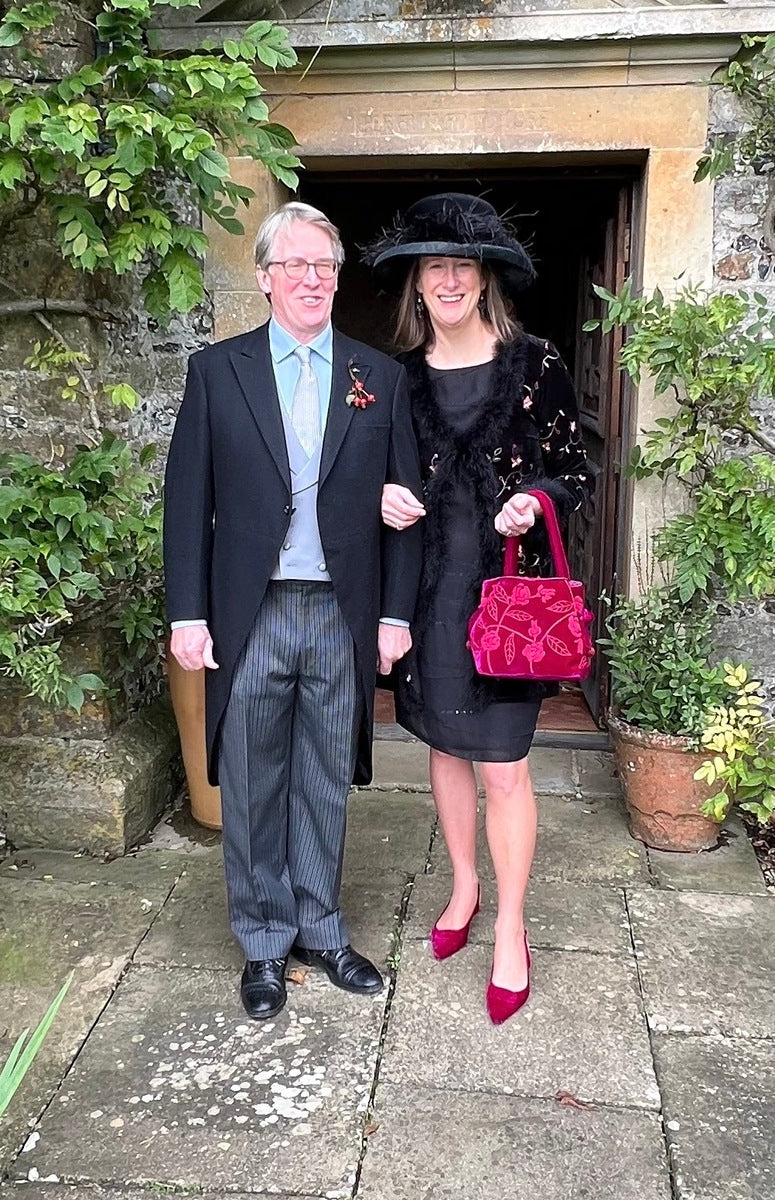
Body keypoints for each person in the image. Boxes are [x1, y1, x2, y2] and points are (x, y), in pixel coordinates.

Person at [164, 201, 422, 1021]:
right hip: (253, 610)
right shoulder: (217, 372)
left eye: (325, 266)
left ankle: (321, 927)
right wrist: (187, 614)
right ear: (265, 278)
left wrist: (394, 616)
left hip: (341, 611)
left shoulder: (377, 377)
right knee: (251, 779)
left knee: (323, 777)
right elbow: (186, 500)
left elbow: (405, 504)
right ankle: (264, 941)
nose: (311, 279)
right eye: (295, 264)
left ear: (337, 279)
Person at [365, 193, 590, 1025]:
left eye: (463, 265)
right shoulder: (396, 378)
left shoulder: (534, 363)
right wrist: (378, 496)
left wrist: (535, 498)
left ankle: (512, 928)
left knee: (502, 766)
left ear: (484, 277)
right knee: (443, 747)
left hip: (506, 604)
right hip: (427, 597)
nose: (450, 279)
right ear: (417, 283)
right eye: (435, 266)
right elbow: (371, 475)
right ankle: (462, 887)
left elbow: (576, 469)